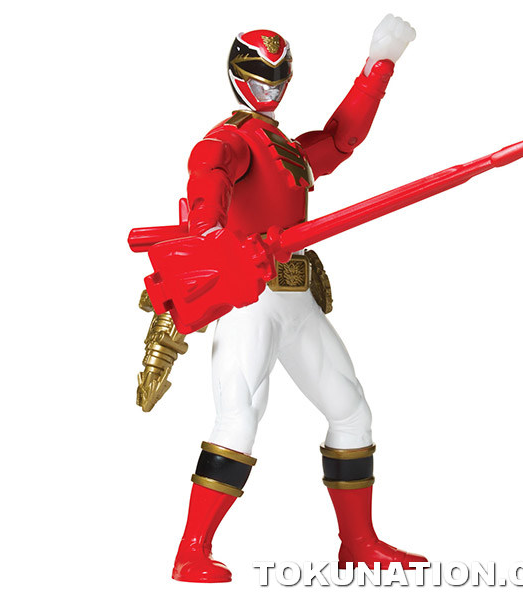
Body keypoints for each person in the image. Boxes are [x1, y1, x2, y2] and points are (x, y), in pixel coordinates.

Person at [171, 15, 427, 583]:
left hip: (296, 297)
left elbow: (339, 140)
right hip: (250, 300)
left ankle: (357, 542)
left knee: (351, 410)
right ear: (237, 77)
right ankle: (191, 551)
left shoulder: (283, 147)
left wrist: (379, 65)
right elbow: (207, 174)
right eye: (257, 79)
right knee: (238, 419)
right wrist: (211, 233)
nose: (267, 90)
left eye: (276, 79)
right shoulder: (230, 139)